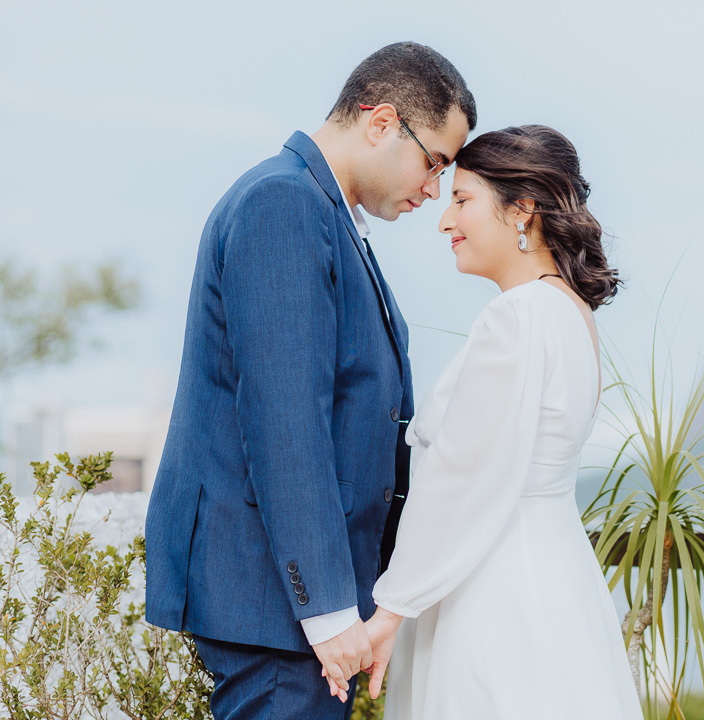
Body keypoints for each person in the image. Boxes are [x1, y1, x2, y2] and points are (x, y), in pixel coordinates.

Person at [143, 42, 475, 719]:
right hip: (280, 608)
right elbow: (285, 420)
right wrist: (326, 610)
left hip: (294, 609)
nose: (434, 188)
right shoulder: (283, 204)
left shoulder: (324, 213)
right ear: (381, 122)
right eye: (433, 162)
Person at [362, 125, 645, 719]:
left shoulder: (516, 317)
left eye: (462, 200)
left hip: (491, 589)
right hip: (554, 576)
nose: (445, 221)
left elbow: (464, 475)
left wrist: (391, 609)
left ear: (522, 209)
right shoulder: (570, 312)